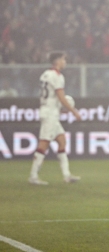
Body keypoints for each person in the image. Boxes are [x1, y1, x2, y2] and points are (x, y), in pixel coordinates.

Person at [28, 51, 82, 185]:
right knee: (44, 144)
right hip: (50, 113)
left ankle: (67, 175)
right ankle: (33, 176)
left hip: (48, 110)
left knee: (62, 141)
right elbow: (61, 97)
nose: (65, 62)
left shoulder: (45, 74)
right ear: (57, 61)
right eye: (64, 59)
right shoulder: (57, 76)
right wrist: (73, 111)